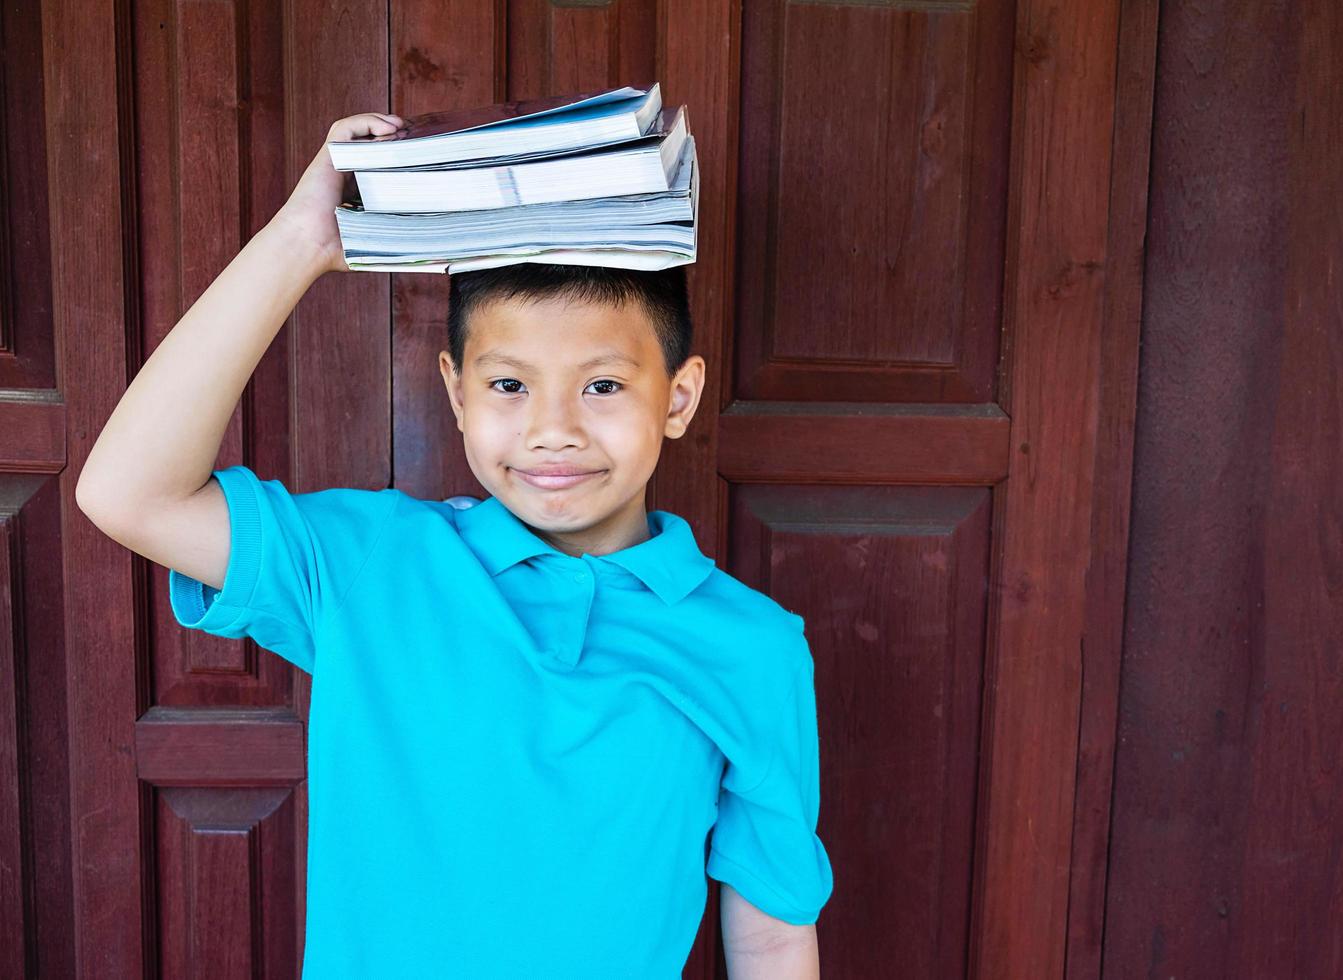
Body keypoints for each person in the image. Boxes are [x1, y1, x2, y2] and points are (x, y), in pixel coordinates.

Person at [75, 112, 832, 978]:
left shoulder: (754, 648)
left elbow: (772, 934)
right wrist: (302, 239)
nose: (553, 430)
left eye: (604, 385)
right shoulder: (373, 565)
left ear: (679, 397)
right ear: (456, 392)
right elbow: (126, 493)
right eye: (509, 384)